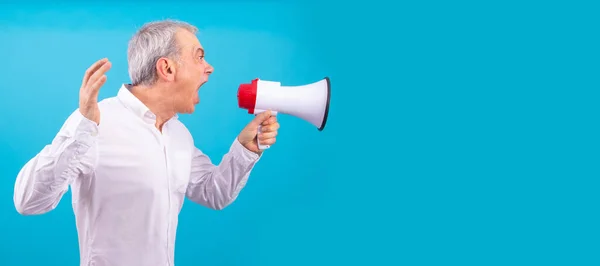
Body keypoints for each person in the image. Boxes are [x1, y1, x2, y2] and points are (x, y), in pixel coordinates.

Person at [12, 19, 279, 266]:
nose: (209, 67)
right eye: (199, 57)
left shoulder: (178, 135)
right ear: (167, 68)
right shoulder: (95, 121)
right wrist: (83, 128)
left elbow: (214, 193)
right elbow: (28, 201)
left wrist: (246, 149)